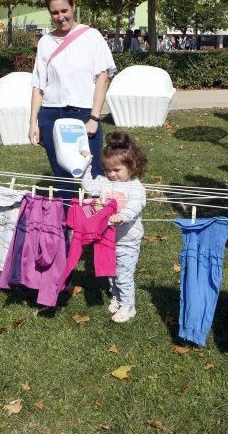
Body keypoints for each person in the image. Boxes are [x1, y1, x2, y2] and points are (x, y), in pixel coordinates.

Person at [29, 0, 116, 198]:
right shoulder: (45, 42)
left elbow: (102, 78)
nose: (60, 17)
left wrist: (94, 118)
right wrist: (33, 123)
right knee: (63, 182)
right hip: (50, 116)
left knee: (94, 178)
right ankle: (67, 230)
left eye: (64, 11)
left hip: (83, 115)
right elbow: (39, 86)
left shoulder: (91, 36)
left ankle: (95, 230)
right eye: (54, 13)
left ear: (73, 7)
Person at [80, 132, 147, 323]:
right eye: (108, 170)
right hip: (107, 239)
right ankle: (116, 297)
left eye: (116, 170)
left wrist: (122, 216)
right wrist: (87, 164)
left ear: (132, 166)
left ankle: (129, 306)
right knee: (110, 271)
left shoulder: (136, 188)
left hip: (127, 240)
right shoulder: (104, 183)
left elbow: (135, 206)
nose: (112, 174)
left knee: (124, 275)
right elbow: (88, 186)